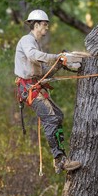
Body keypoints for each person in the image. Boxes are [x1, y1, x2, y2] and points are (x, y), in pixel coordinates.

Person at [14, 9, 81, 174]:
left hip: (35, 87)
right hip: (28, 89)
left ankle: (60, 158)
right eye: (44, 25)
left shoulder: (36, 44)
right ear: (36, 25)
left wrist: (60, 64)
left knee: (57, 116)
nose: (46, 28)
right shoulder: (27, 41)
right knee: (51, 118)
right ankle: (61, 160)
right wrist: (56, 56)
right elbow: (32, 56)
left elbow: (44, 71)